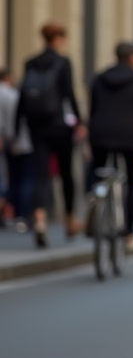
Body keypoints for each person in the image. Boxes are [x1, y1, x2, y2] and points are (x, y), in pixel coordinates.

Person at [87, 42, 133, 252]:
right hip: (129, 136)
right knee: (131, 183)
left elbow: (93, 108)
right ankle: (129, 233)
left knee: (99, 175)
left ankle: (96, 208)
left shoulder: (99, 79)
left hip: (100, 134)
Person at [16, 22, 85, 247]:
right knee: (66, 174)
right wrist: (79, 123)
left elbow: (22, 97)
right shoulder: (63, 62)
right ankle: (69, 221)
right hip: (59, 126)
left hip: (36, 125)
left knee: (40, 175)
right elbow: (69, 94)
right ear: (58, 38)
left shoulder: (30, 62)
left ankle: (40, 220)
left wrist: (17, 128)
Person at [0, 67, 34, 231]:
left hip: (10, 141)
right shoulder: (11, 94)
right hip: (18, 142)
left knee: (11, 178)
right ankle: (20, 215)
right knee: (22, 179)